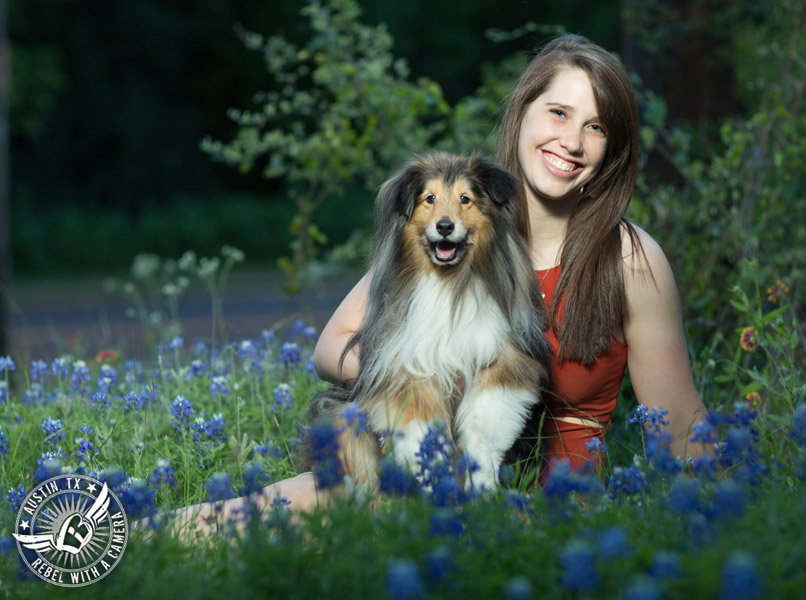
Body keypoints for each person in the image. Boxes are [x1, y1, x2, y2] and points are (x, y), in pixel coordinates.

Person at [156, 34, 711, 535]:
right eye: (559, 113)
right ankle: (126, 543)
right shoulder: (453, 230)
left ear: (611, 149)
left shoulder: (630, 259)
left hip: (556, 511)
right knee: (305, 501)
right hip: (424, 475)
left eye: (596, 127)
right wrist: (433, 382)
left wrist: (724, 509)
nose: (572, 140)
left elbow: (682, 431)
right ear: (522, 113)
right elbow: (332, 347)